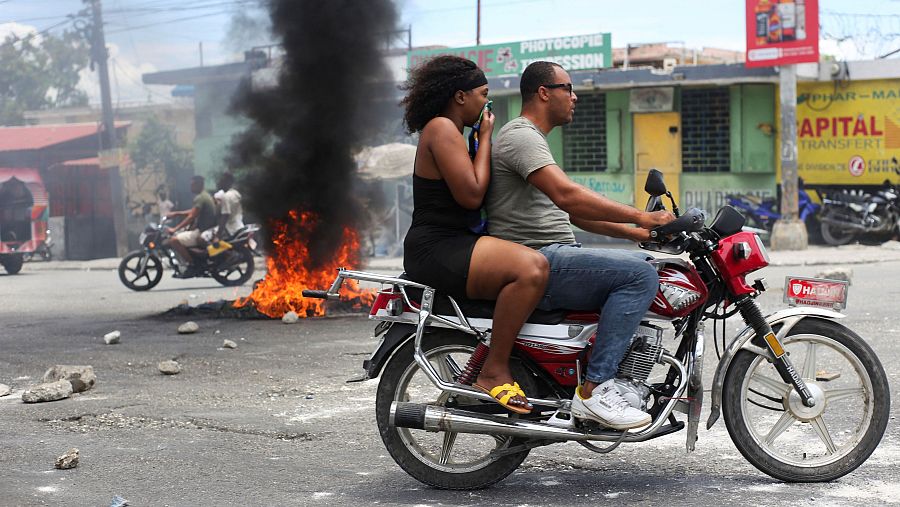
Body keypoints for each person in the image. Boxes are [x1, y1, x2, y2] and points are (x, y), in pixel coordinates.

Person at [488, 61, 675, 429]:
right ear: (544, 92)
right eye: (567, 88)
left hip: (553, 252)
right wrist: (642, 216)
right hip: (537, 259)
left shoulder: (533, 140)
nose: (574, 97)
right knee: (639, 277)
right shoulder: (520, 136)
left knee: (650, 266)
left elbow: (573, 214)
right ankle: (595, 390)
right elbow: (569, 197)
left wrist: (641, 234)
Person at [401, 55, 549, 414]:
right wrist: (485, 138)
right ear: (460, 96)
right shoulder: (441, 129)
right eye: (483, 94)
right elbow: (471, 193)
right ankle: (493, 370)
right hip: (437, 247)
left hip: (453, 242)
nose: (487, 103)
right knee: (532, 269)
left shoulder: (450, 131)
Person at [165, 175, 216, 277]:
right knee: (181, 235)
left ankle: (193, 265)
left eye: (193, 185)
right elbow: (193, 212)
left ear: (199, 184)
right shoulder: (205, 196)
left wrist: (175, 228)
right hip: (206, 229)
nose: (191, 187)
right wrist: (177, 214)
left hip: (203, 231)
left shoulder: (200, 198)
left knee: (174, 240)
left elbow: (191, 216)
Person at [203, 171, 244, 256]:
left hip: (229, 229)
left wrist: (217, 236)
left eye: (221, 181)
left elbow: (225, 216)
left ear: (227, 182)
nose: (219, 183)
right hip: (239, 226)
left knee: (203, 237)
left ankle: (219, 256)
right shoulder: (236, 194)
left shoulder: (225, 196)